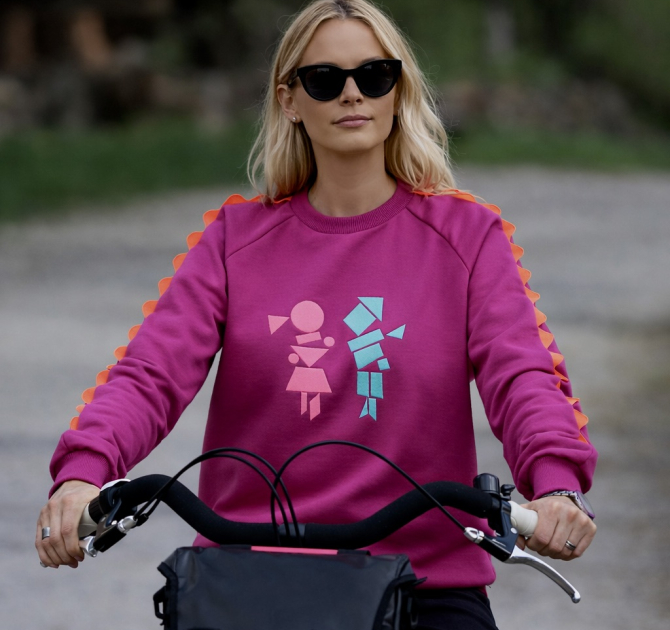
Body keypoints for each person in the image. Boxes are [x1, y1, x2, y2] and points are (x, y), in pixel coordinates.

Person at [36, 1, 597, 627]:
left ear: (398, 91)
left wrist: (554, 483)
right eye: (325, 79)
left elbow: (521, 375)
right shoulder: (233, 240)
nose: (353, 94)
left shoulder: (467, 236)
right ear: (290, 100)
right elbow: (151, 374)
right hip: (250, 578)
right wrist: (84, 474)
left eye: (375, 75)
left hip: (425, 583)